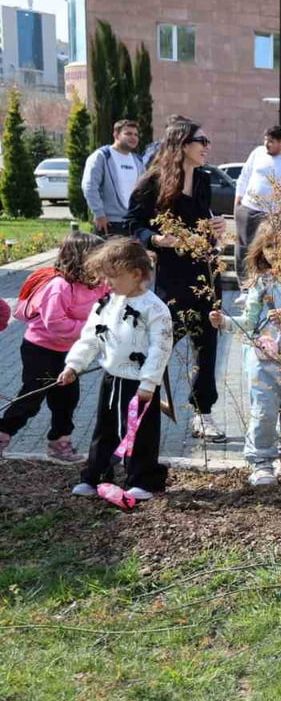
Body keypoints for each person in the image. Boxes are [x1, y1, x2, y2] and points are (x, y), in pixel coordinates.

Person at [125, 118, 229, 443]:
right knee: (162, 345)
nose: (207, 146)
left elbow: (201, 219)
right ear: (183, 144)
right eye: (202, 140)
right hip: (173, 277)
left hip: (206, 273)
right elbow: (133, 224)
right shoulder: (152, 182)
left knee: (207, 346)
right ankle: (142, 405)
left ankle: (203, 413)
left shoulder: (203, 179)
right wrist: (157, 241)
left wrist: (215, 227)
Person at [58, 239, 173, 502]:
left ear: (135, 274)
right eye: (104, 277)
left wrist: (149, 382)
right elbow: (90, 337)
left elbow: (161, 348)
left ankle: (143, 479)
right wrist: (74, 365)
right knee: (105, 429)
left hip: (140, 384)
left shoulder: (155, 309)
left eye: (112, 277)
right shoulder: (107, 303)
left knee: (141, 432)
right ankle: (96, 474)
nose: (106, 283)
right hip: (112, 379)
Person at [210, 228, 281, 486]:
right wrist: (225, 322)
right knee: (263, 410)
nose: (277, 253)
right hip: (262, 363)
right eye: (270, 247)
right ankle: (261, 463)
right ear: (261, 251)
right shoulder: (261, 283)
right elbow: (249, 322)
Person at [0, 231, 106, 463]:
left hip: (69, 352)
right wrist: (93, 329)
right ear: (81, 258)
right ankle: (3, 433)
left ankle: (59, 442)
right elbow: (56, 323)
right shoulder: (59, 286)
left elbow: (112, 305)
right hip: (41, 350)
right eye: (99, 257)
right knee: (31, 399)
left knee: (67, 400)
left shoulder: (96, 285)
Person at [233, 126, 281, 277]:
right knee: (244, 249)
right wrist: (238, 201)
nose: (266, 144)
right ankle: (245, 288)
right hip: (250, 209)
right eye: (265, 140)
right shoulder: (258, 153)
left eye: (271, 141)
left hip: (278, 215)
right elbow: (244, 176)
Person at [83, 119, 144, 236]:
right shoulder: (102, 156)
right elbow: (89, 186)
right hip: (109, 223)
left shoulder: (138, 160)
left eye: (136, 134)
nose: (133, 137)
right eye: (128, 134)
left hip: (132, 223)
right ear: (116, 135)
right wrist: (99, 214)